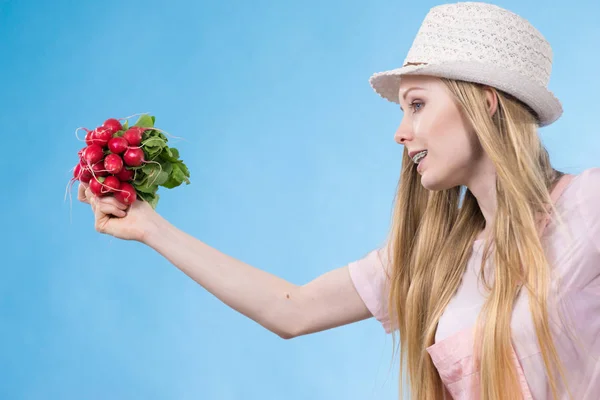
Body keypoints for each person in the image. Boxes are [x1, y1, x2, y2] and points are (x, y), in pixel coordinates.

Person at [78, 2, 600, 399]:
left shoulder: (588, 207)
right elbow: (293, 310)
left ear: (484, 103)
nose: (401, 133)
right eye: (402, 110)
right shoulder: (434, 259)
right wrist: (149, 227)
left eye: (417, 104)